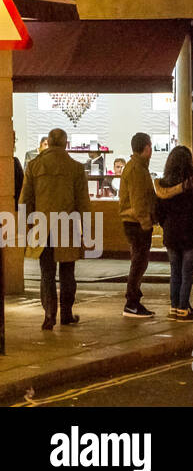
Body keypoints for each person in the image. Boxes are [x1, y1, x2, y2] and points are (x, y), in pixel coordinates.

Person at [21, 128, 93, 330]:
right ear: (65, 144)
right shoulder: (76, 168)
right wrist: (87, 232)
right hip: (66, 227)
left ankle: (49, 314)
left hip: (42, 227)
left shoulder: (34, 166)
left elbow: (25, 201)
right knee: (68, 272)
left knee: (46, 274)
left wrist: (27, 228)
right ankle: (67, 313)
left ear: (49, 143)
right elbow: (83, 204)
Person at [153, 146, 193, 320]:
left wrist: (166, 224)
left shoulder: (163, 184)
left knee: (175, 271)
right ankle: (183, 307)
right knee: (186, 272)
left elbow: (158, 211)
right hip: (190, 232)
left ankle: (175, 306)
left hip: (171, 232)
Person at [118, 132, 157, 317]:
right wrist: (147, 223)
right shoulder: (136, 169)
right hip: (136, 223)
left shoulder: (138, 167)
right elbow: (139, 201)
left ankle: (134, 300)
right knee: (139, 262)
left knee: (140, 262)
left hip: (135, 221)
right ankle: (132, 302)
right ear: (147, 148)